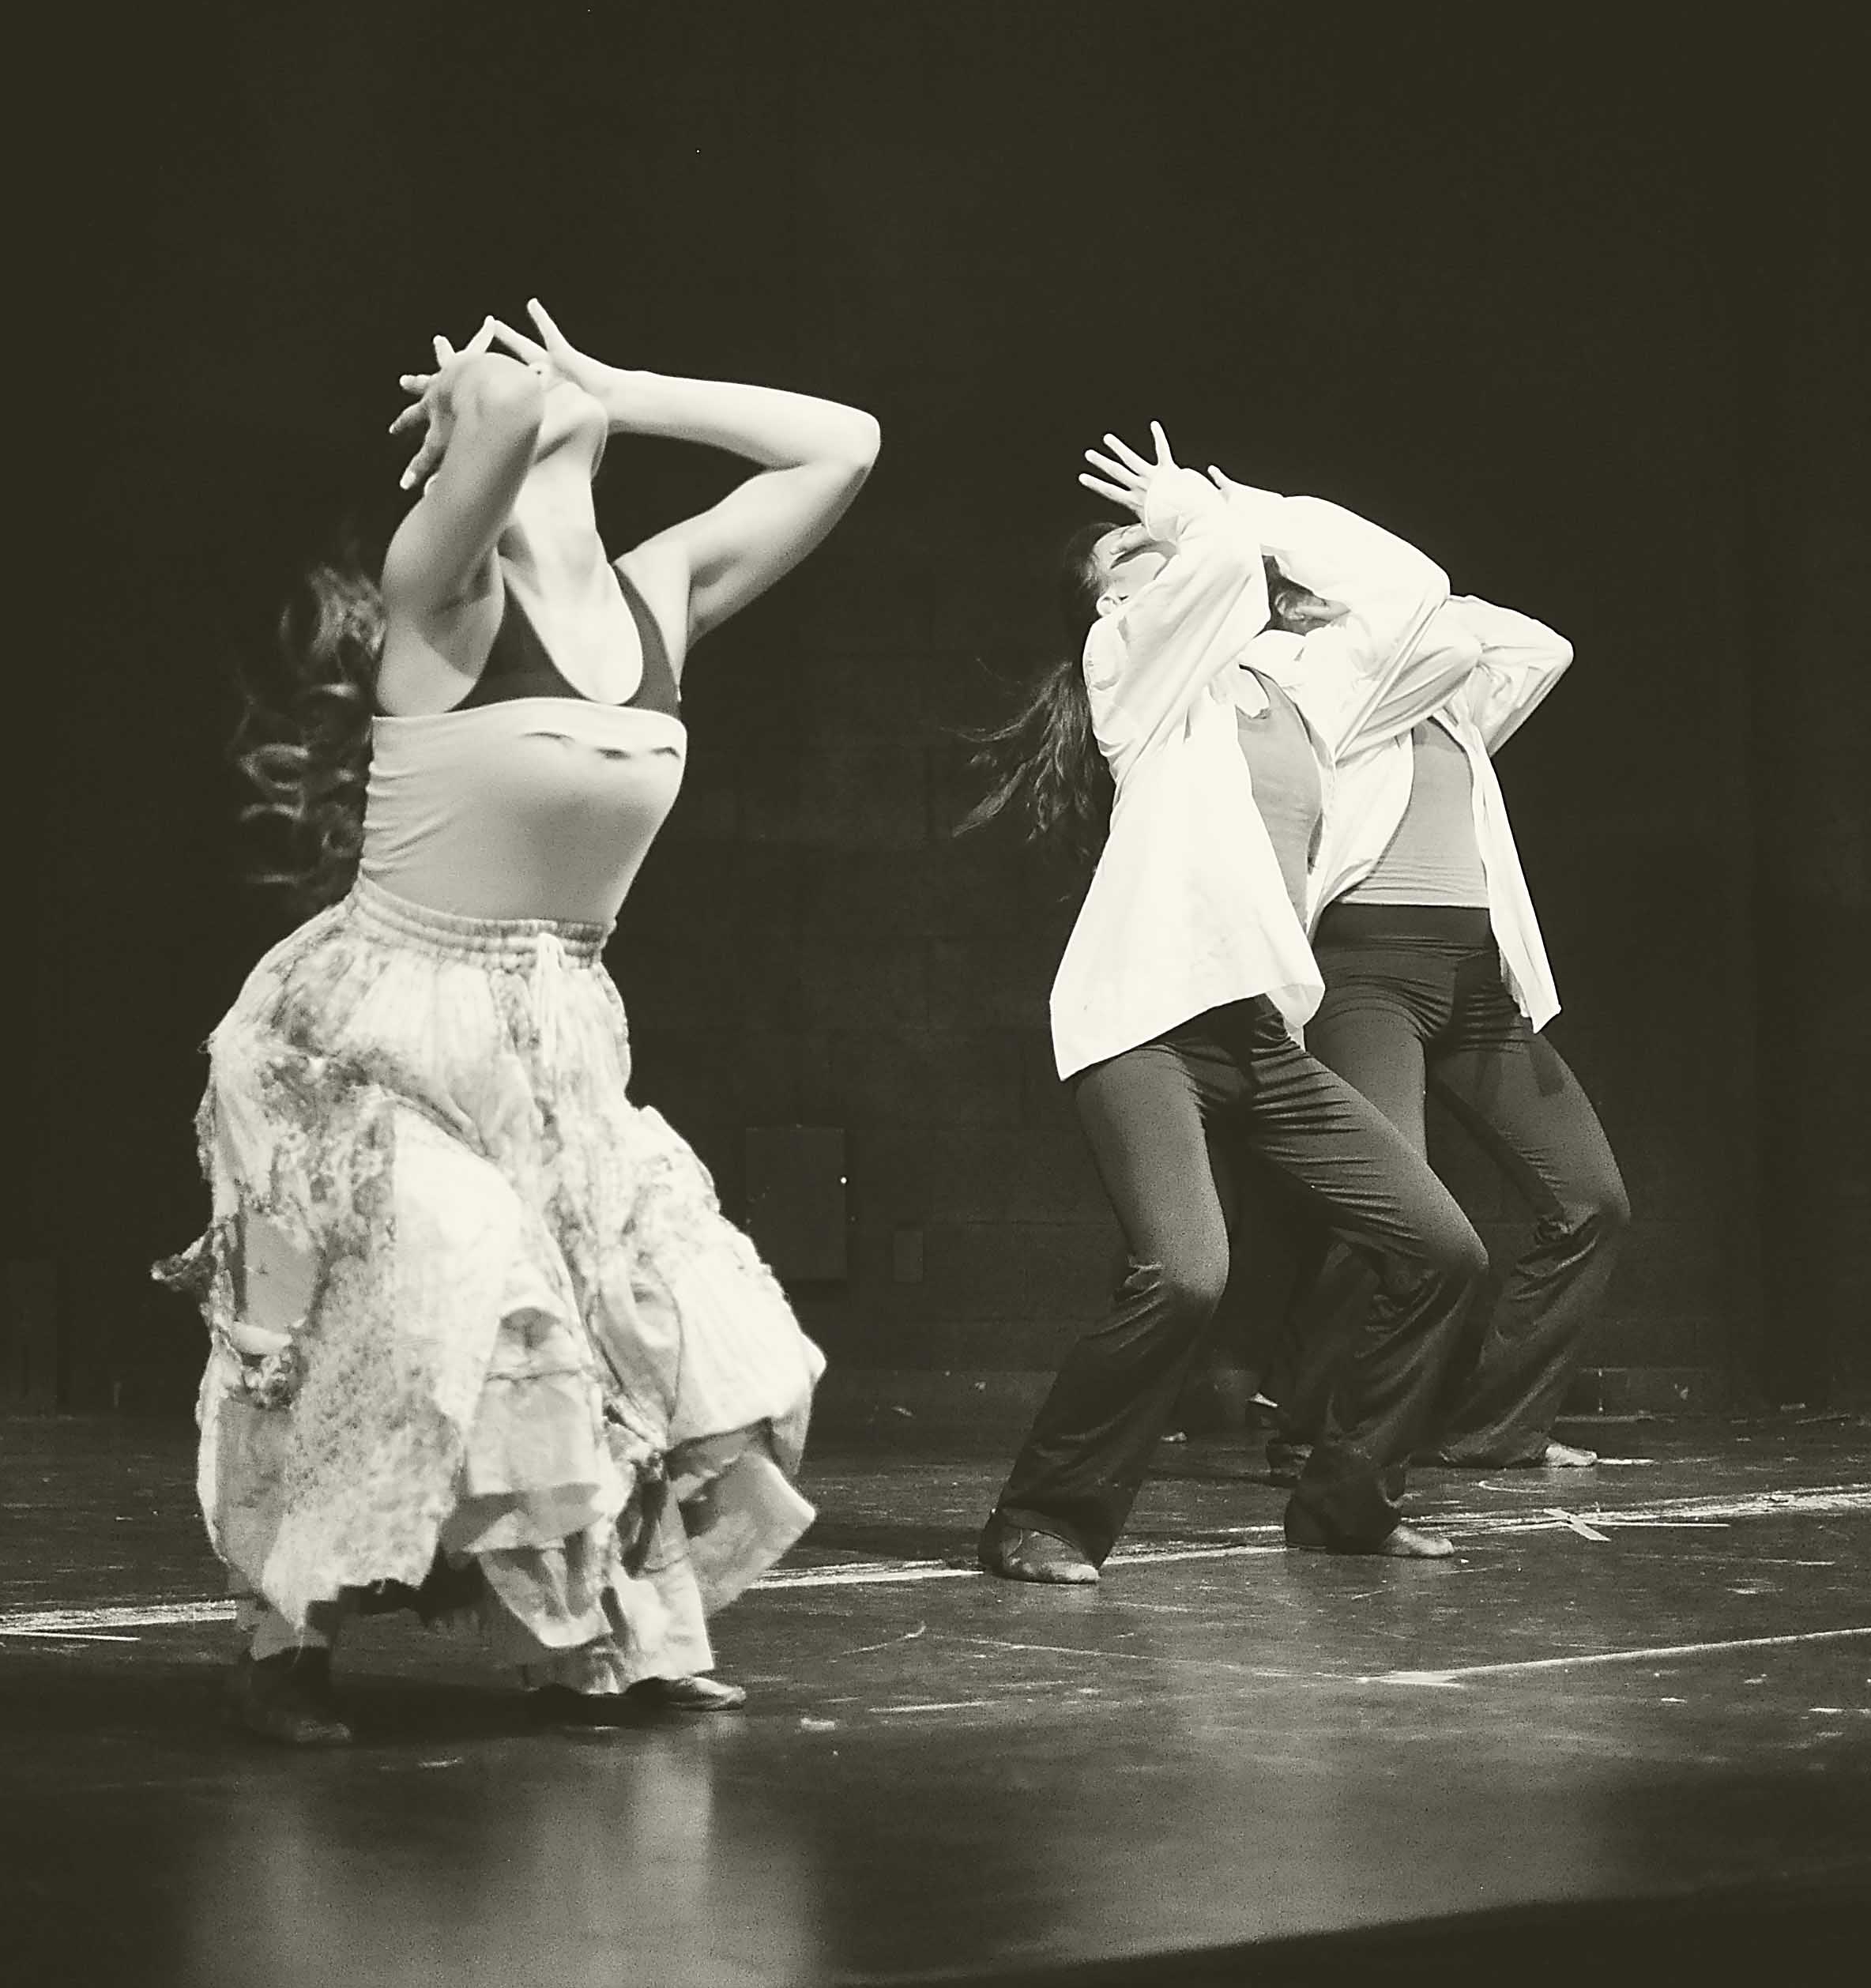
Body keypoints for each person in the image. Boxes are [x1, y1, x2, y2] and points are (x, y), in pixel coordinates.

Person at [159, 299, 879, 1742]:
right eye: (509, 384)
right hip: (356, 1041)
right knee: (418, 1301)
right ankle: (281, 1642)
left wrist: (625, 381)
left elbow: (842, 443)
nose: (531, 372)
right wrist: (486, 395)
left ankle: (601, 1650)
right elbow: (491, 418)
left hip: (551, 1038)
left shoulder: (658, 591)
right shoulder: (445, 588)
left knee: (639, 1320)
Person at [971, 425, 1492, 1580]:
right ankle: (1041, 1516)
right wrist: (1189, 523)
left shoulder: (1299, 693)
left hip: (1262, 1035)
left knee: (1443, 1252)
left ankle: (1345, 1504)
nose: (1152, 554)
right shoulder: (1134, 676)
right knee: (1186, 1275)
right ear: (1107, 604)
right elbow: (1207, 574)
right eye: (1125, 555)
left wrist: (1242, 504)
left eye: (1153, 542)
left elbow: (1418, 600)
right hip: (1144, 1023)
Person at [1211, 472, 1628, 1481]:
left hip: (1476, 976)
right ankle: (1320, 1431)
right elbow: (1416, 613)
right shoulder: (1303, 686)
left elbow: (1537, 647)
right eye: (1312, 586)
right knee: (1390, 1209)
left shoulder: (1442, 705)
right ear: (1287, 604)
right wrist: (1281, 539)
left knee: (1590, 1200)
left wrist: (1406, 603)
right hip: (1366, 973)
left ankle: (1494, 1429)